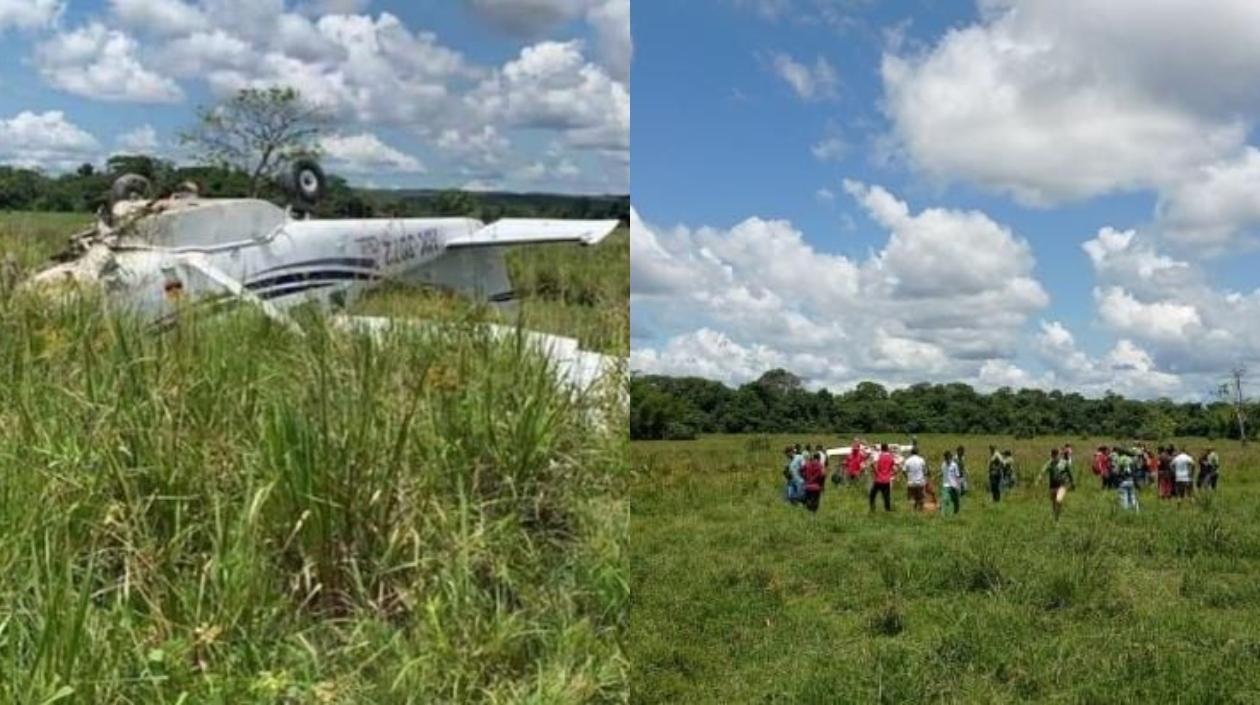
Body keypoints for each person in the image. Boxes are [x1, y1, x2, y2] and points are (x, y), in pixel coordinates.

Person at [1043, 447, 1073, 522]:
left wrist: (1072, 482)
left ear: (1058, 455)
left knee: (1058, 500)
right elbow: (1043, 470)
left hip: (1062, 485)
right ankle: (1055, 517)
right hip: (1052, 486)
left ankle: (1057, 516)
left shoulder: (1064, 462)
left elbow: (1069, 473)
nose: (1054, 457)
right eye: (1053, 455)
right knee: (1053, 502)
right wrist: (1039, 478)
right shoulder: (1049, 463)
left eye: (1056, 455)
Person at [870, 443, 895, 512]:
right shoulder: (891, 457)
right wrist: (890, 474)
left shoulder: (879, 455)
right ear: (887, 448)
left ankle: (872, 508)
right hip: (887, 479)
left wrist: (876, 473)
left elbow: (872, 464)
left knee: (872, 494)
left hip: (878, 479)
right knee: (886, 496)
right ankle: (888, 509)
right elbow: (893, 467)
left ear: (881, 449)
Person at [941, 450, 962, 515]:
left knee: (956, 501)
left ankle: (956, 513)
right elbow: (943, 473)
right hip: (946, 486)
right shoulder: (943, 465)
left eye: (948, 458)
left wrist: (958, 486)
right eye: (945, 458)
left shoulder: (954, 465)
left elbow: (957, 476)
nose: (947, 460)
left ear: (950, 457)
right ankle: (944, 514)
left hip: (954, 485)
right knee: (945, 500)